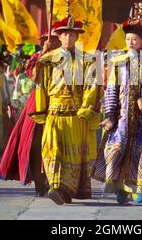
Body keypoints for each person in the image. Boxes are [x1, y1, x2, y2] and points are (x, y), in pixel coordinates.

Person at [93, 3, 142, 205]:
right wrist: (109, 115)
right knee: (119, 148)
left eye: (134, 39)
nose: (130, 42)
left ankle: (140, 190)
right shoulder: (118, 62)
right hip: (122, 116)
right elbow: (111, 91)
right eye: (127, 39)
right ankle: (120, 188)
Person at [31, 12, 99, 205]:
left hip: (75, 114)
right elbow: (41, 86)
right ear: (58, 37)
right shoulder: (47, 60)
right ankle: (55, 186)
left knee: (73, 153)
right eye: (64, 34)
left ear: (77, 36)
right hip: (54, 112)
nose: (68, 37)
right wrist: (41, 109)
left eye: (72, 34)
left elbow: (92, 86)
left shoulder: (88, 60)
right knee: (51, 150)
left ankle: (65, 190)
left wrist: (86, 108)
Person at [0, 33, 61, 195]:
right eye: (50, 40)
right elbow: (33, 77)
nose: (53, 42)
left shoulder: (67, 57)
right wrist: (43, 55)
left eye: (57, 39)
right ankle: (39, 183)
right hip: (38, 102)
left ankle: (55, 180)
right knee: (34, 144)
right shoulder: (37, 57)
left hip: (60, 101)